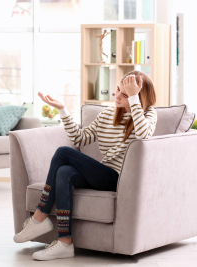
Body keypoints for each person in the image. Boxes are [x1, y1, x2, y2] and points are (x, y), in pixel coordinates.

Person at [13, 70, 157, 261]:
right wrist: (63, 110)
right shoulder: (108, 115)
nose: (118, 96)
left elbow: (143, 136)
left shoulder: (147, 115)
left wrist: (133, 100)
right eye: (118, 90)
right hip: (102, 175)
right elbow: (80, 138)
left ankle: (39, 216)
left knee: (63, 152)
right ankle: (64, 242)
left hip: (119, 179)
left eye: (125, 94)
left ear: (137, 97)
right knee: (64, 171)